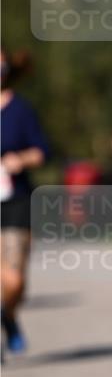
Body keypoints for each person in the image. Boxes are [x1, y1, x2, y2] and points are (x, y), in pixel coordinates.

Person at [1, 48, 49, 354]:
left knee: (15, 280)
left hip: (15, 199)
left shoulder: (21, 109)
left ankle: (8, 315)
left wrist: (21, 159)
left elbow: (42, 150)